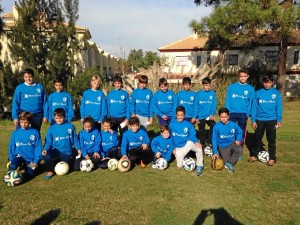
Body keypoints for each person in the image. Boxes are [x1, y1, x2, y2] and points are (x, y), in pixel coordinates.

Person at [249, 75, 283, 166]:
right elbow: (254, 107)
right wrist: (253, 120)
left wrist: (278, 120)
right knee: (257, 138)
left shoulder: (276, 93)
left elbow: (279, 107)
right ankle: (254, 155)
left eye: (269, 82)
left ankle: (272, 158)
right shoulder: (258, 93)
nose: (267, 84)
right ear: (262, 83)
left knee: (271, 139)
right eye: (265, 82)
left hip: (272, 120)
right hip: (260, 120)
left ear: (272, 82)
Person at [42, 108, 80, 180]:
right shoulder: (51, 128)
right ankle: (50, 171)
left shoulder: (70, 126)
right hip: (55, 149)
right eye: (57, 118)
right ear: (54, 118)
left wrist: (78, 149)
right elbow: (49, 141)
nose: (59, 120)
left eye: (61, 118)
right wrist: (45, 149)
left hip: (66, 151)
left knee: (65, 165)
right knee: (46, 155)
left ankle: (69, 158)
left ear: (64, 117)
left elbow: (75, 139)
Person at [169, 106, 204, 176]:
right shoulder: (172, 124)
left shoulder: (188, 124)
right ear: (176, 115)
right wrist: (173, 148)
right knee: (179, 166)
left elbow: (192, 135)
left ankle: (199, 165)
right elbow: (170, 138)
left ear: (184, 115)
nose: (180, 117)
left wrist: (196, 142)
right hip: (178, 148)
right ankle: (184, 157)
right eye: (178, 115)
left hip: (187, 144)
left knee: (199, 148)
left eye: (182, 115)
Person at [8, 112, 42, 179]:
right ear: (19, 122)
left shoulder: (35, 132)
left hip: (31, 159)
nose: (23, 124)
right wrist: (11, 159)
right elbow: (11, 147)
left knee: (30, 175)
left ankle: (34, 166)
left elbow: (38, 148)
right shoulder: (16, 133)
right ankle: (19, 165)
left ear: (30, 122)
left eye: (26, 122)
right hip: (19, 156)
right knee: (12, 167)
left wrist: (35, 161)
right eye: (22, 122)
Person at [225, 68, 255, 145]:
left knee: (241, 131)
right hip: (232, 112)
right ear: (238, 76)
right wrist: (227, 112)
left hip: (243, 113)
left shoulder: (250, 89)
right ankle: (229, 147)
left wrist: (248, 114)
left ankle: (239, 149)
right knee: (230, 131)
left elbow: (251, 103)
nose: (243, 78)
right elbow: (228, 100)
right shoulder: (232, 87)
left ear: (247, 76)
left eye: (244, 76)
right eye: (241, 76)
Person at [212, 107, 243, 173]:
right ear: (219, 116)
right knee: (225, 160)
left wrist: (238, 139)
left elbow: (240, 132)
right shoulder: (216, 126)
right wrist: (215, 152)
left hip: (232, 143)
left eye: (225, 117)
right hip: (222, 146)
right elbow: (214, 139)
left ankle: (230, 162)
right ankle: (229, 158)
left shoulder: (233, 125)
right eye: (221, 117)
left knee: (239, 149)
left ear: (229, 116)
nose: (223, 119)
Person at [193, 77, 217, 147]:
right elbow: (195, 106)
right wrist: (196, 117)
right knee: (201, 130)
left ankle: (209, 141)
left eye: (209, 85)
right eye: (206, 85)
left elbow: (214, 105)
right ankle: (202, 143)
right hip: (200, 116)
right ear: (202, 85)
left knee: (214, 126)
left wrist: (212, 114)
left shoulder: (212, 94)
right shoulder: (198, 94)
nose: (208, 87)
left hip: (209, 116)